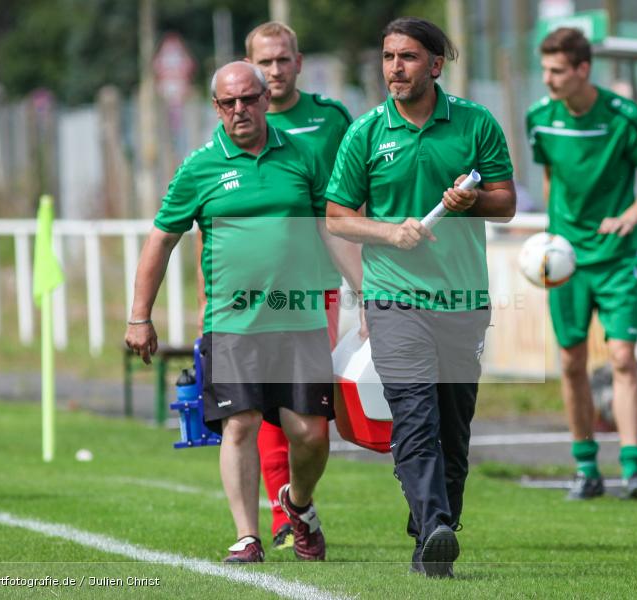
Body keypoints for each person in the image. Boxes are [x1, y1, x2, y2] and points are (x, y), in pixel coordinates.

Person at [127, 62, 360, 564]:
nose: (240, 110)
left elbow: (330, 228)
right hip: (232, 324)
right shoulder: (199, 166)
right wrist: (139, 316)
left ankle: (297, 504)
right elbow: (161, 239)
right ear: (216, 108)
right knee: (240, 425)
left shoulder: (301, 155)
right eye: (229, 102)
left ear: (264, 100)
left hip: (299, 318)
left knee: (312, 434)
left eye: (249, 99)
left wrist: (368, 296)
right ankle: (247, 536)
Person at [324, 17, 515, 577]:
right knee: (414, 414)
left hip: (462, 303)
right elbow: (337, 218)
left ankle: (434, 535)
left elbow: (503, 200)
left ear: (435, 64)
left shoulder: (476, 124)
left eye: (406, 57)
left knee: (454, 429)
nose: (394, 69)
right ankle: (433, 521)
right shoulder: (365, 133)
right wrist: (389, 232)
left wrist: (467, 204)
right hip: (393, 299)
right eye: (387, 57)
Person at [200, 20, 361, 553]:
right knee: (254, 416)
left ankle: (295, 501)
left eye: (282, 60)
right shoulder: (226, 138)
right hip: (250, 304)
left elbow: (353, 196)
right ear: (249, 66)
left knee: (310, 421)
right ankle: (273, 520)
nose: (274, 70)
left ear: (296, 61)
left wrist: (367, 274)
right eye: (263, 62)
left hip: (319, 286)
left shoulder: (330, 119)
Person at [525, 28, 637, 500]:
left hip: (615, 257)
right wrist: (551, 236)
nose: (548, 79)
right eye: (545, 69)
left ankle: (634, 468)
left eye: (557, 70)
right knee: (571, 362)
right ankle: (586, 467)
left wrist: (628, 217)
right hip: (565, 260)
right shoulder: (539, 120)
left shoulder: (624, 117)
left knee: (624, 357)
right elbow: (549, 177)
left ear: (583, 69)